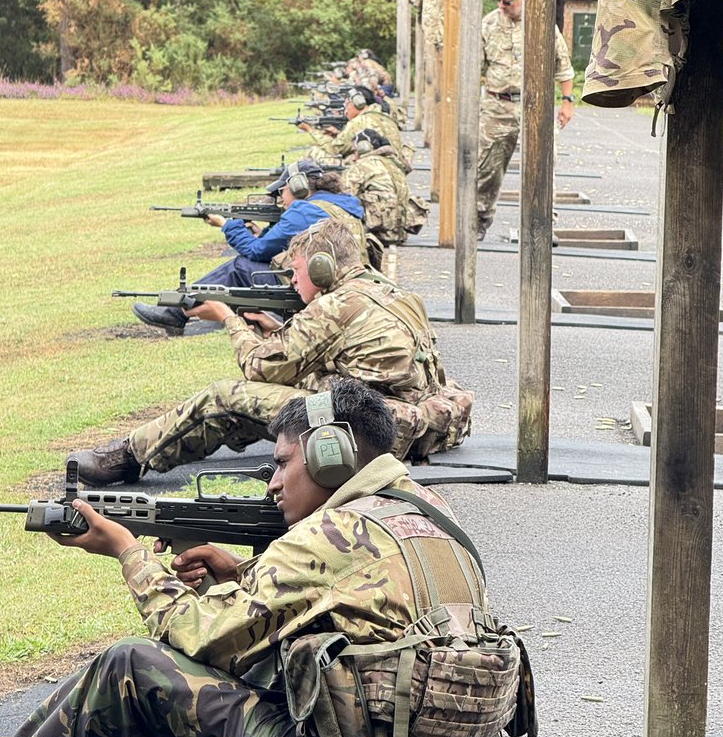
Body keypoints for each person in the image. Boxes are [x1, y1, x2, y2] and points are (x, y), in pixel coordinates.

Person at [0, 380, 511, 737]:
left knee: (130, 666)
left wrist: (127, 551)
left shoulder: (328, 535)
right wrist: (242, 575)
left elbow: (197, 633)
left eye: (283, 463)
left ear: (332, 457)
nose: (275, 483)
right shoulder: (428, 510)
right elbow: (349, 615)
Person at [70, 218, 474, 486]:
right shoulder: (394, 293)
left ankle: (125, 458)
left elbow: (259, 368)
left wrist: (227, 318)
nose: (294, 282)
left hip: (363, 427)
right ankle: (162, 449)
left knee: (224, 397)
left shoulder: (336, 306)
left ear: (321, 269)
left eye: (297, 271)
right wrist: (276, 330)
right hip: (402, 422)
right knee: (261, 406)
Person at [135, 159, 365, 334]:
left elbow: (257, 252)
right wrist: (259, 234)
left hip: (325, 288)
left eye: (281, 191)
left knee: (241, 267)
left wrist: (227, 225)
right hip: (349, 286)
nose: (280, 199)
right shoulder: (344, 206)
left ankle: (175, 313)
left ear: (299, 187)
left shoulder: (305, 210)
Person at [477, 0, 576, 240]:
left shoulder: (541, 23)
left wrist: (567, 101)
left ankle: (542, 223)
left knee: (542, 166)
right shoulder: (488, 25)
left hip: (535, 106)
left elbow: (563, 67)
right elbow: (475, 69)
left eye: (507, 2)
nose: (501, 6)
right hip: (498, 106)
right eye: (498, 1)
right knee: (487, 167)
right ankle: (479, 220)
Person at [304, 85, 414, 169]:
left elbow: (334, 149)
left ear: (358, 103)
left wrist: (311, 130)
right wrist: (338, 133)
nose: (345, 108)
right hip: (393, 168)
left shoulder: (359, 121)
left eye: (347, 104)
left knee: (314, 151)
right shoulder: (386, 118)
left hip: (369, 169)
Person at [343, 130, 412, 246]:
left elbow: (346, 197)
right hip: (398, 233)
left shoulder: (362, 165)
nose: (354, 157)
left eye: (355, 151)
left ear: (364, 147)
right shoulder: (394, 164)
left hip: (377, 233)